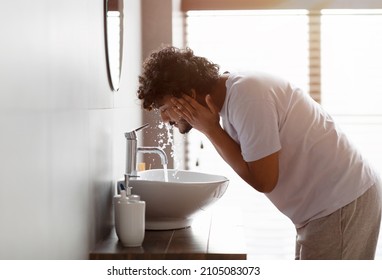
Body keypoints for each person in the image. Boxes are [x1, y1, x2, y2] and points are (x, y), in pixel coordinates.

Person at [137, 45, 382, 260]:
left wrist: (211, 129)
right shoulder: (233, 99)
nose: (164, 117)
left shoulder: (247, 97)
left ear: (188, 95)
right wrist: (212, 127)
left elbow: (265, 180)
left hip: (341, 203)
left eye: (165, 107)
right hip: (326, 210)